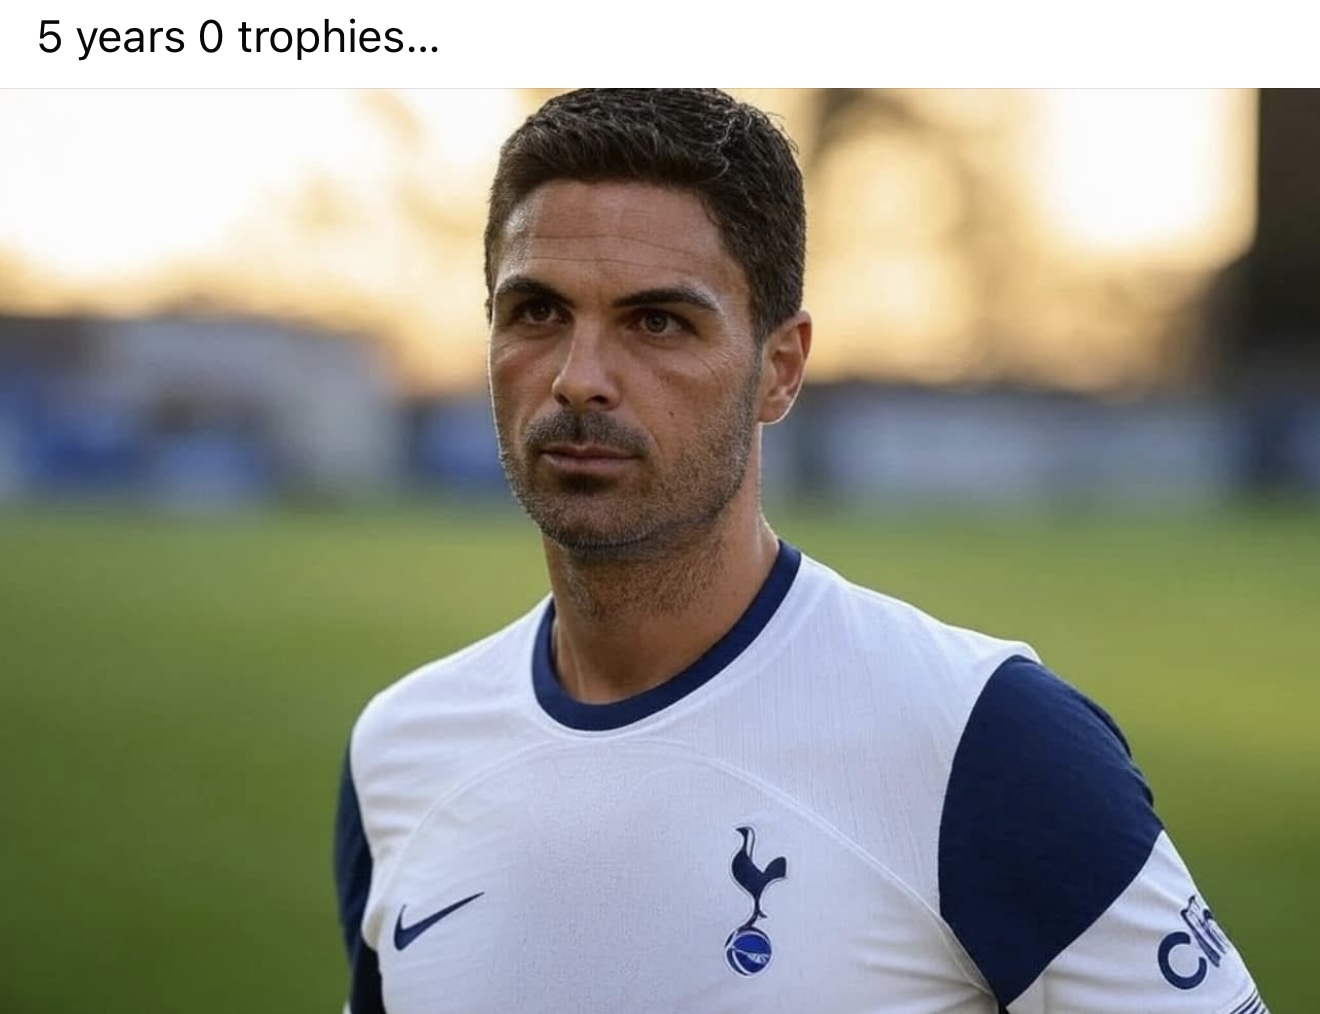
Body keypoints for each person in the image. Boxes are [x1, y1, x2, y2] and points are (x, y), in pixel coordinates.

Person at [333, 89, 1268, 1014]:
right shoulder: (402, 753)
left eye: (657, 322)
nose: (580, 379)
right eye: (537, 312)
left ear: (779, 369)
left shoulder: (985, 743)